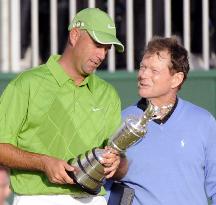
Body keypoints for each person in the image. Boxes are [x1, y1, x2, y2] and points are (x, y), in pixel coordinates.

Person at [0, 8, 127, 205]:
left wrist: (117, 163)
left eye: (107, 48)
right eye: (97, 44)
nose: (102, 54)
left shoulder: (108, 94)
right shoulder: (25, 84)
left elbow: (120, 162)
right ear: (75, 35)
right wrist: (43, 163)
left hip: (93, 200)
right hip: (36, 200)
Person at [106, 36, 216, 205]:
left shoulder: (204, 122)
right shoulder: (119, 121)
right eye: (142, 67)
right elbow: (104, 185)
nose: (143, 75)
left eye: (154, 70)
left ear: (176, 79)